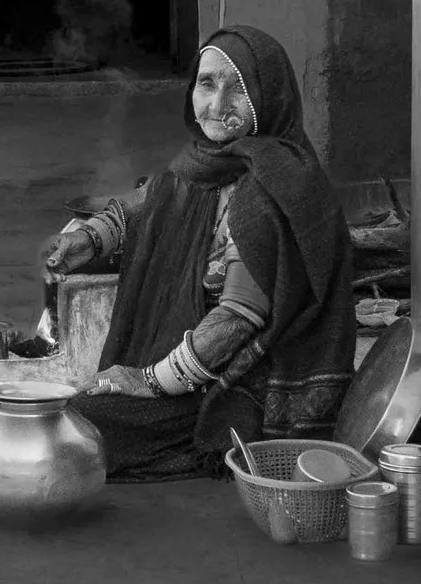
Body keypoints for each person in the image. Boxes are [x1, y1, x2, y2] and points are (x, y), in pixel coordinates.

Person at [42, 26, 356, 480]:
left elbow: (236, 319)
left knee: (79, 427)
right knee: (71, 421)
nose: (217, 105)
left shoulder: (269, 186)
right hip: (195, 362)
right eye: (208, 84)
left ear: (268, 98)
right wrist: (88, 239)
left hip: (244, 382)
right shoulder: (209, 162)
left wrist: (149, 382)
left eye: (238, 89)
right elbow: (151, 203)